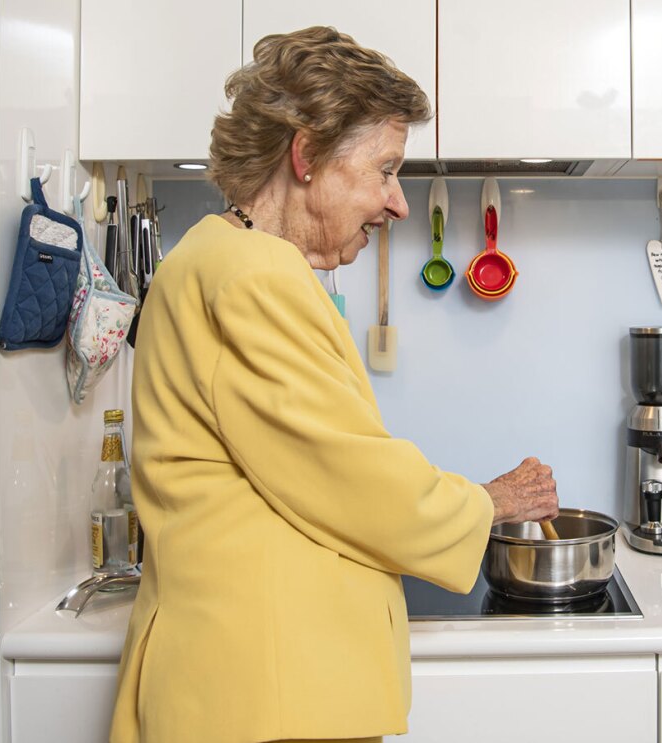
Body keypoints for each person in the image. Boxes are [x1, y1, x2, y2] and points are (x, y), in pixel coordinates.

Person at [109, 26, 559, 743]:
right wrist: (489, 501)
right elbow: (349, 473)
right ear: (308, 155)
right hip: (266, 694)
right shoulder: (256, 274)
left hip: (252, 682)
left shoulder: (212, 253)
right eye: (385, 171)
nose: (400, 203)